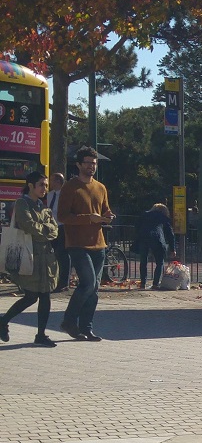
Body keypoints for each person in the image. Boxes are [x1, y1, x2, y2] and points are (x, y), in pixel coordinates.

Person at [58, 146, 114, 341]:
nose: (91, 167)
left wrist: (108, 217)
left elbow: (105, 211)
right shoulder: (69, 187)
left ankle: (86, 327)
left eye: (94, 163)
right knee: (88, 284)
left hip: (99, 244)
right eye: (88, 163)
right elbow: (63, 216)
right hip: (77, 244)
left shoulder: (101, 187)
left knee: (94, 288)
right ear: (78, 164)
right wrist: (89, 218)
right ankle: (69, 321)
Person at [0, 171, 60, 347]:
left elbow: (54, 230)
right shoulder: (22, 203)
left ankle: (41, 334)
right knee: (31, 296)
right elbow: (28, 225)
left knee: (45, 295)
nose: (45, 188)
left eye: (46, 185)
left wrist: (44, 230)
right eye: (41, 184)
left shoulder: (42, 206)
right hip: (29, 256)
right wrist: (45, 231)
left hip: (46, 259)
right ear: (31, 185)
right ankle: (3, 321)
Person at [134, 202, 176, 289]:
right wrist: (173, 248)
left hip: (143, 238)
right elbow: (170, 233)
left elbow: (137, 226)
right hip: (157, 239)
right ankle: (155, 284)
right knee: (159, 262)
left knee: (143, 261)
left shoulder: (144, 215)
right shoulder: (163, 217)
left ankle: (143, 283)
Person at [45, 171, 70, 291]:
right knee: (54, 253)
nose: (50, 183)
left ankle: (64, 281)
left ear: (58, 182)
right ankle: (55, 278)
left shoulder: (66, 195)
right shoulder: (50, 195)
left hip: (63, 226)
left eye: (52, 180)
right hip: (52, 227)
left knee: (62, 253)